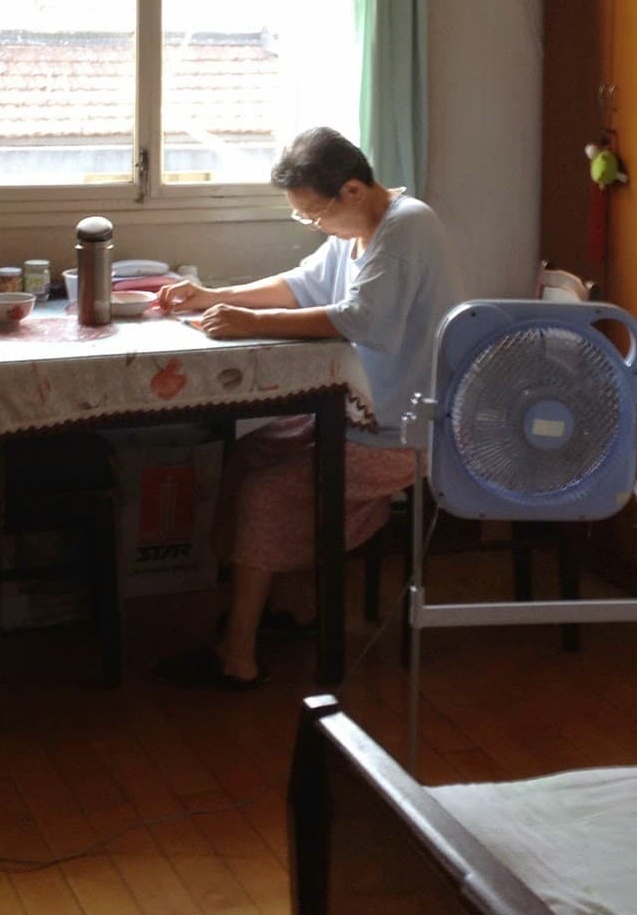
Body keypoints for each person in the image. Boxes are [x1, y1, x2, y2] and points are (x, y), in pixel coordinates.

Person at [154, 126, 463, 688]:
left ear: (351, 190)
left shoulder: (405, 228)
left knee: (267, 493)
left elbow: (360, 319)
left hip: (403, 430)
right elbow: (302, 285)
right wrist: (215, 296)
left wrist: (249, 323)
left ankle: (238, 657)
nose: (314, 226)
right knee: (252, 454)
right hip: (356, 411)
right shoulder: (356, 227)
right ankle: (294, 607)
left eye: (313, 215)